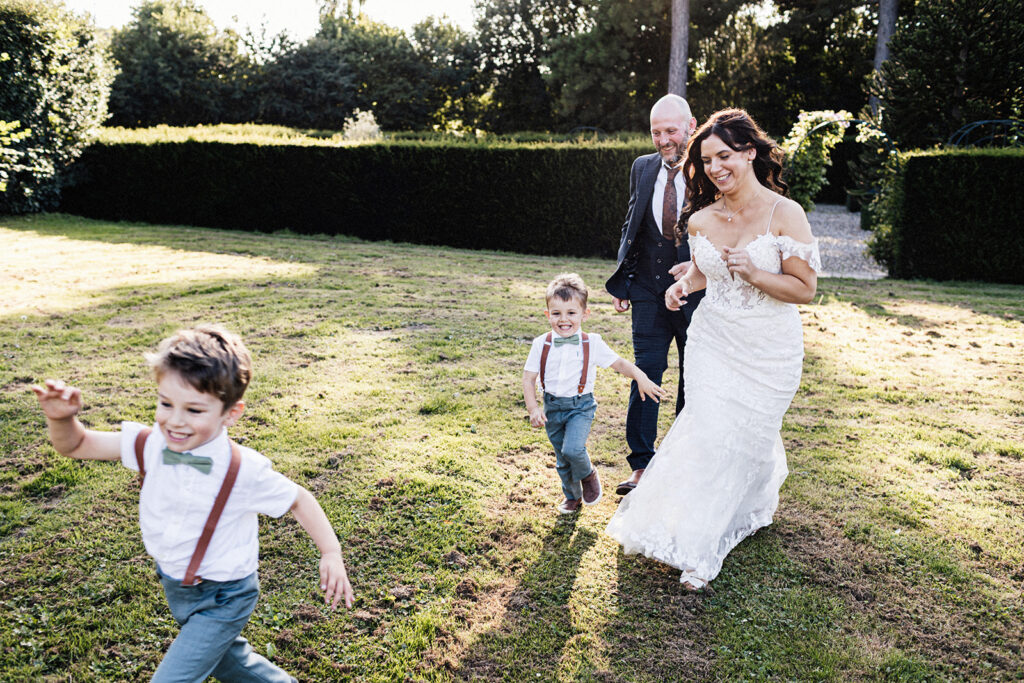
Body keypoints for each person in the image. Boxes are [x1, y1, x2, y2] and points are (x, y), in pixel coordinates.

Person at [31, 325, 354, 682]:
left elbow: (298, 499)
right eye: (166, 403)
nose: (175, 420)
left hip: (225, 595)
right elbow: (76, 446)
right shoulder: (148, 444)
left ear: (230, 413)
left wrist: (331, 552)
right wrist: (62, 419)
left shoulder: (243, 469)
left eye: (195, 410)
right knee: (230, 663)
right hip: (177, 585)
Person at [605, 108, 820, 590]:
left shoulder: (785, 213)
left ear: (748, 152)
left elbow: (804, 290)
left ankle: (738, 510)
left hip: (768, 349)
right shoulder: (701, 219)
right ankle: (694, 538)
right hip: (713, 339)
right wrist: (685, 285)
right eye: (706, 160)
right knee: (708, 431)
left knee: (745, 437)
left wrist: (757, 273)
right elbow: (708, 272)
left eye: (724, 155)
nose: (715, 167)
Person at [605, 94, 706, 496]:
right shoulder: (642, 168)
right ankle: (641, 466)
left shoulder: (708, 170)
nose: (663, 139)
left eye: (671, 130)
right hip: (646, 288)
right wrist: (623, 280)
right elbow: (633, 222)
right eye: (656, 132)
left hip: (694, 291)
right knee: (644, 372)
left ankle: (678, 461)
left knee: (692, 377)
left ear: (690, 126)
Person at [523, 273, 666, 514]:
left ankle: (588, 475)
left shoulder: (592, 342)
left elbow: (619, 364)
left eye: (571, 313)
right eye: (556, 314)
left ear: (584, 314)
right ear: (548, 315)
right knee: (562, 458)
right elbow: (528, 378)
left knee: (573, 450)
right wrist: (533, 408)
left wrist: (641, 376)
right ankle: (572, 496)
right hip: (552, 407)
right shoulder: (541, 343)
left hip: (581, 407)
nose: (563, 320)